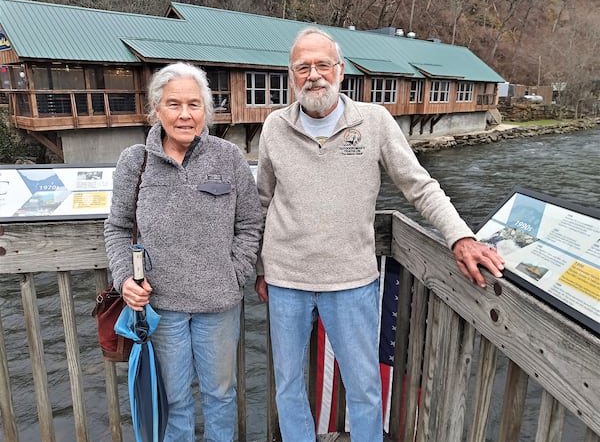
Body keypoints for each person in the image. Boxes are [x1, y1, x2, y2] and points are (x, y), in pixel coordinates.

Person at [254, 28, 505, 442]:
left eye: (322, 65)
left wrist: (460, 237)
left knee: (365, 385)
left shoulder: (374, 122)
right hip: (286, 279)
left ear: (341, 71)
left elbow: (419, 186)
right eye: (303, 67)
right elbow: (262, 202)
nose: (313, 75)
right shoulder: (274, 127)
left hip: (352, 280)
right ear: (291, 76)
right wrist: (262, 268)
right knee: (287, 384)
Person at [105, 62, 262, 442]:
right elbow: (118, 227)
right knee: (173, 401)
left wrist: (236, 273)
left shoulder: (229, 158)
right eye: (174, 104)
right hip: (162, 308)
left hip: (220, 305)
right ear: (156, 109)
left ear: (205, 110)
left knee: (221, 396)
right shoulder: (135, 162)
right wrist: (125, 278)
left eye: (194, 104)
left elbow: (250, 223)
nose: (185, 114)